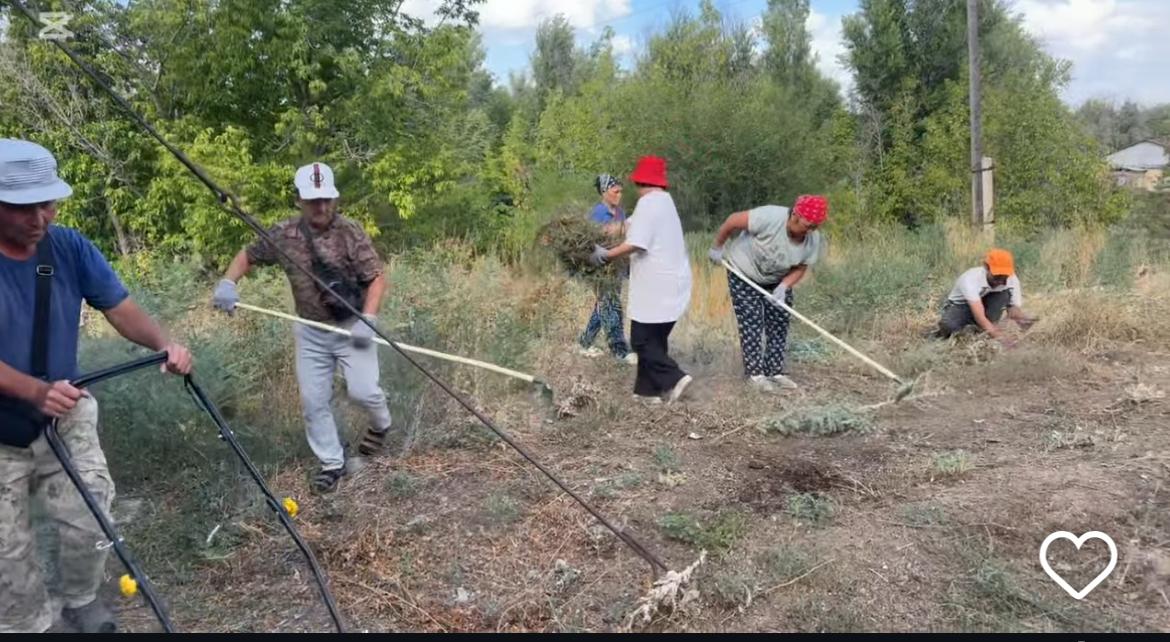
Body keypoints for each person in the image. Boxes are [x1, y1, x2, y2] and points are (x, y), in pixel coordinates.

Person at [0, 139, 193, 633]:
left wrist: (164, 345)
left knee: (90, 513)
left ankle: (82, 600)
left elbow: (119, 308)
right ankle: (33, 624)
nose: (43, 216)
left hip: (65, 411)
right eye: (27, 207)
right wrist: (32, 390)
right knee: (7, 548)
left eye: (49, 202)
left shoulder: (69, 247)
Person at [211, 162, 393, 493]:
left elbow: (377, 278)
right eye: (313, 200)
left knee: (364, 391)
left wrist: (369, 320)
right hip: (310, 332)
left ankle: (382, 424)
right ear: (299, 199)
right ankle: (332, 463)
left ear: (334, 199)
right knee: (313, 402)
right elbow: (247, 256)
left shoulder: (350, 232)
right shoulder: (283, 234)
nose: (321, 207)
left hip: (352, 325)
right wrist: (228, 282)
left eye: (326, 199)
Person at [591, 156, 693, 403]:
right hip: (673, 283)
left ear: (641, 181)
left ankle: (675, 377)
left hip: (657, 285)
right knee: (655, 339)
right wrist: (596, 233)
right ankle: (647, 392)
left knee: (641, 340)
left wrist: (606, 255)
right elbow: (628, 226)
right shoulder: (664, 202)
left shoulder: (649, 204)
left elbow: (636, 243)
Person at [707, 196, 827, 392]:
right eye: (808, 225)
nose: (811, 230)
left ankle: (774, 372)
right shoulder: (769, 216)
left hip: (776, 279)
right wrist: (717, 247)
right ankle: (755, 376)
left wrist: (784, 286)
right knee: (752, 322)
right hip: (743, 272)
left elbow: (801, 267)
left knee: (779, 322)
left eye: (815, 226)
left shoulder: (812, 239)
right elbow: (732, 220)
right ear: (795, 215)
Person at [577, 174, 635, 364]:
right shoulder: (598, 213)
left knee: (604, 305)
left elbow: (624, 238)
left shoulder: (620, 213)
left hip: (616, 265)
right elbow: (592, 240)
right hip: (601, 268)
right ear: (604, 192)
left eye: (621, 191)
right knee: (611, 305)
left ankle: (585, 342)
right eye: (615, 191)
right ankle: (620, 351)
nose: (619, 194)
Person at [935, 248, 1036, 347]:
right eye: (997, 277)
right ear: (986, 267)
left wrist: (1025, 322)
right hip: (962, 306)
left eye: (1005, 277)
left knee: (1003, 293)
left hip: (985, 301)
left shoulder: (1011, 278)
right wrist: (1003, 339)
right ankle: (979, 329)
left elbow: (1014, 309)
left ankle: (986, 328)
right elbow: (981, 317)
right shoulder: (970, 280)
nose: (1002, 281)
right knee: (949, 327)